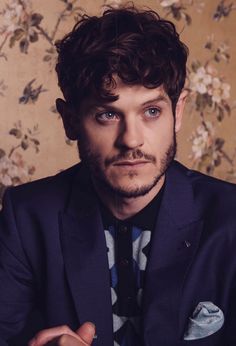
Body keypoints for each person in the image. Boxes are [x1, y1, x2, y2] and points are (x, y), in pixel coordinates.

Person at [0, 5, 236, 346]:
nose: (131, 139)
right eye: (107, 114)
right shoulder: (27, 218)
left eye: (152, 111)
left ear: (178, 112)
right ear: (70, 120)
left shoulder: (230, 219)